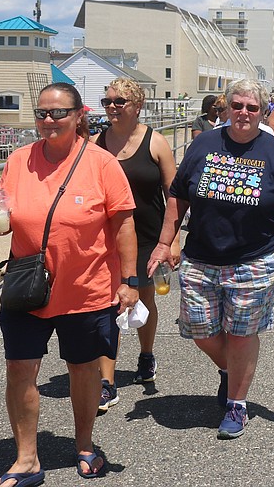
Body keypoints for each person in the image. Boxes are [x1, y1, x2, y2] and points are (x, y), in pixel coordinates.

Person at [148, 79, 274, 440]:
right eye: (237, 106)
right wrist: (164, 243)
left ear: (262, 111)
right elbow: (178, 198)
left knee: (242, 334)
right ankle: (233, 371)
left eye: (252, 107)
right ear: (226, 108)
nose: (244, 113)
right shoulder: (204, 143)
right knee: (200, 330)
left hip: (255, 259)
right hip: (201, 257)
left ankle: (237, 404)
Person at [0, 82, 138, 485]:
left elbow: (123, 225)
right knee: (19, 368)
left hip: (87, 289)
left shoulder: (102, 163)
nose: (49, 121)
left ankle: (85, 444)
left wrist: (130, 280)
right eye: (42, 113)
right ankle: (26, 459)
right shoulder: (18, 160)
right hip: (27, 287)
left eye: (58, 113)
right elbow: (8, 214)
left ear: (78, 116)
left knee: (83, 369)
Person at [94, 78, 178, 410]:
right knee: (107, 307)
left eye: (119, 101)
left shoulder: (156, 142)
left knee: (145, 299)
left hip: (148, 237)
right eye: (107, 101)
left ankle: (146, 355)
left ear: (137, 105)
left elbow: (173, 194)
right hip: (106, 239)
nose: (112, 107)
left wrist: (172, 241)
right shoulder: (94, 143)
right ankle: (107, 381)